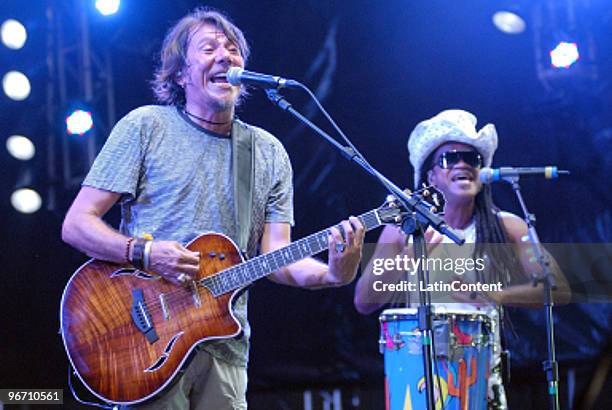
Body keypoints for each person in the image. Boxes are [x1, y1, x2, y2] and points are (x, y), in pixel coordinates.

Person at [61, 7, 364, 410]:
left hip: (225, 350)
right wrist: (146, 252)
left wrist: (332, 272)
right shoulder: (146, 127)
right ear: (180, 74)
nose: (225, 55)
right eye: (208, 48)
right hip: (143, 346)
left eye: (233, 48)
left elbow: (277, 257)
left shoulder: (267, 153)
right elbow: (77, 224)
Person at [354, 109, 570, 409]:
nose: (463, 164)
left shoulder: (508, 226)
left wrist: (496, 294)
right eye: (450, 158)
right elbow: (364, 300)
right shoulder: (402, 230)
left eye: (472, 159)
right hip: (421, 380)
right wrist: (404, 260)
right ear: (430, 175)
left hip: (482, 381)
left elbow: (558, 287)